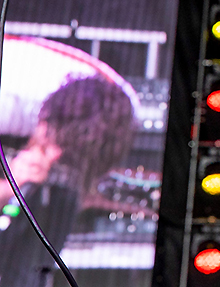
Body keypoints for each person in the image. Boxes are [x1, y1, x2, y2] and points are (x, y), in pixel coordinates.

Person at [0, 75, 136, 285]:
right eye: (50, 146)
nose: (52, 157)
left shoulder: (116, 120)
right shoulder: (9, 101)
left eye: (63, 157)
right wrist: (9, 188)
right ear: (45, 120)